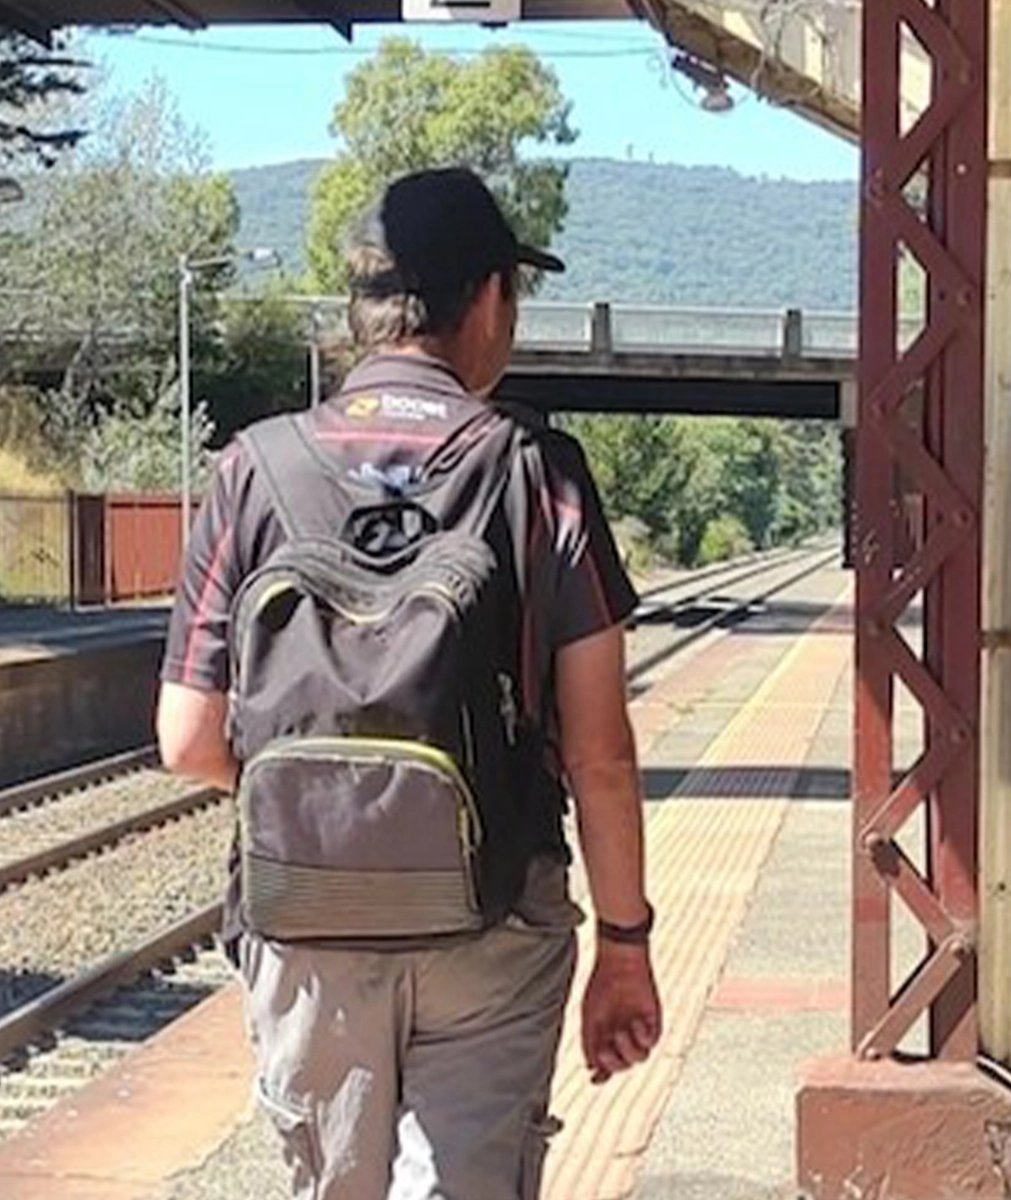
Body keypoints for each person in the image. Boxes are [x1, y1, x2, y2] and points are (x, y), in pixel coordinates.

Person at [156, 166, 661, 1199]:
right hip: (492, 923)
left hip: (305, 923)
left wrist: (341, 809)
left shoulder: (253, 469)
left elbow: (189, 739)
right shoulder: (537, 473)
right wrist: (625, 942)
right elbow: (600, 754)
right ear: (485, 298)